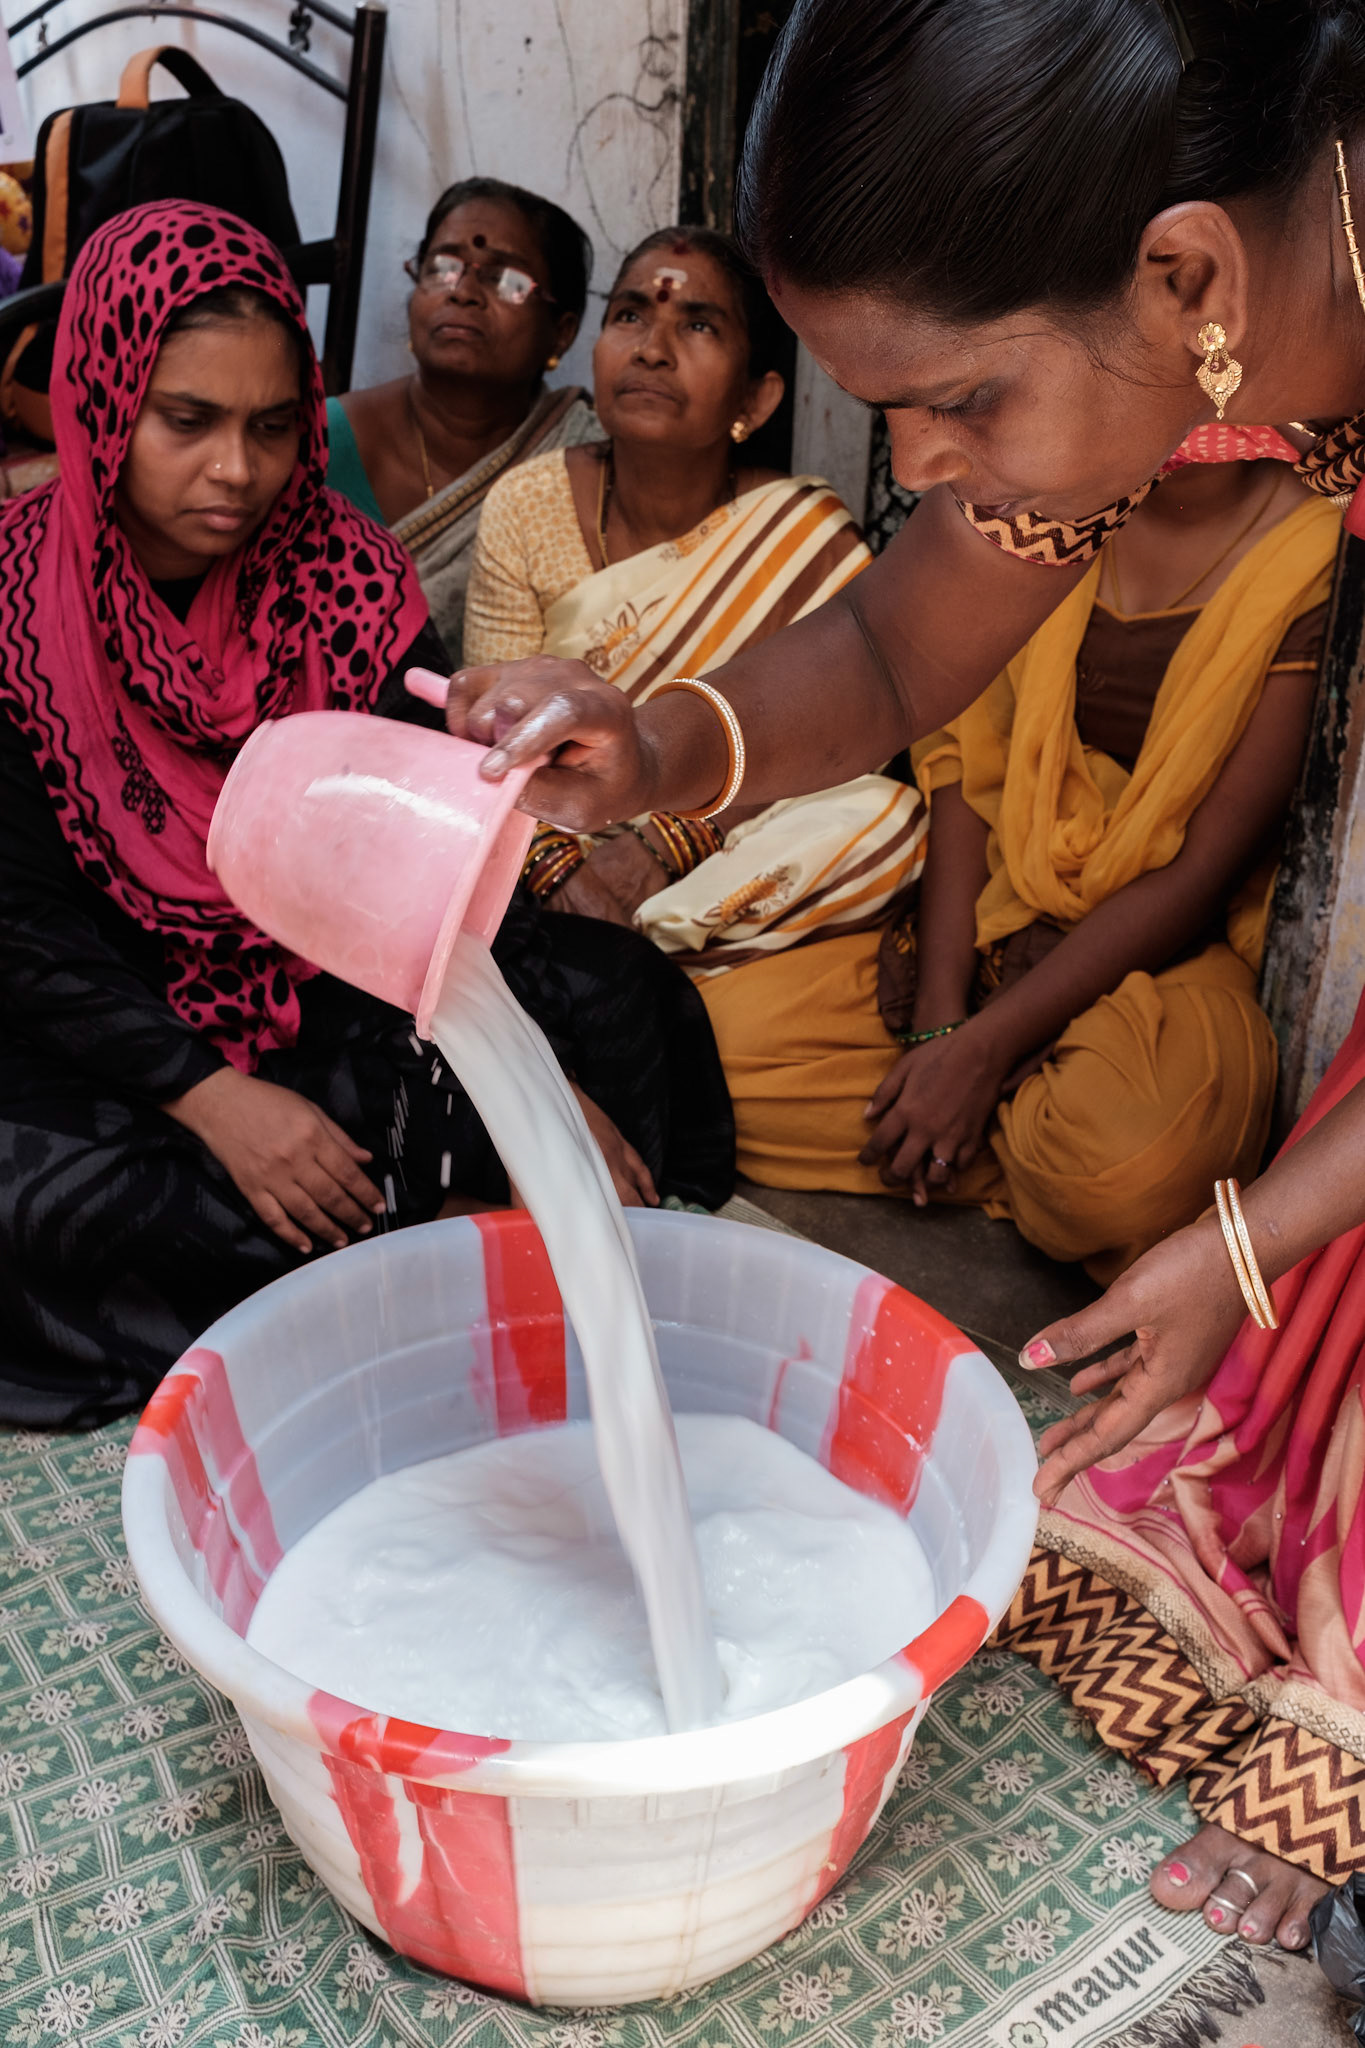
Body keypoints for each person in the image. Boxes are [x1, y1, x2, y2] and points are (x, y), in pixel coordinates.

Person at [436, 0, 1365, 1956]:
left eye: (952, 401)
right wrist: (650, 734)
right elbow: (883, 661)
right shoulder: (1181, 329)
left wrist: (1260, 1243)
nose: (918, 463)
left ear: (1187, 273)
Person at [0, 199, 733, 1431]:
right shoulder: (19, 605)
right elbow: (20, 921)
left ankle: (408, 1222)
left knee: (617, 1007)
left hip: (333, 980)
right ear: (102, 395)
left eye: (274, 427)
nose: (236, 471)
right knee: (34, 1202)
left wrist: (523, 1091)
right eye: (186, 421)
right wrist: (210, 1096)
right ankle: (430, 1229)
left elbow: (422, 854)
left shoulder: (343, 577)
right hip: (103, 1010)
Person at [704, 452, 1339, 1281]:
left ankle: (970, 1132)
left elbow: (1197, 874)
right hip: (995, 922)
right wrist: (939, 1024)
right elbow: (965, 780)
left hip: (1164, 964)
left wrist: (979, 1054)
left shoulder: (1313, 556)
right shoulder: (1049, 508)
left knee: (1122, 1165)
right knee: (718, 1048)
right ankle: (993, 1139)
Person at [463, 225, 925, 968]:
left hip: (727, 845)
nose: (651, 348)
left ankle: (647, 949)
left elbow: (839, 744)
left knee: (884, 818)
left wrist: (670, 839)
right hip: (558, 830)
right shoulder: (528, 504)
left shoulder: (803, 535)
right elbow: (494, 734)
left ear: (756, 396)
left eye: (698, 324)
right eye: (630, 315)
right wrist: (560, 869)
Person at [326, 177, 601, 657]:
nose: (465, 292)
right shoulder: (323, 442)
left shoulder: (580, 463)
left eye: (507, 280)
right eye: (444, 267)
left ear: (562, 332)